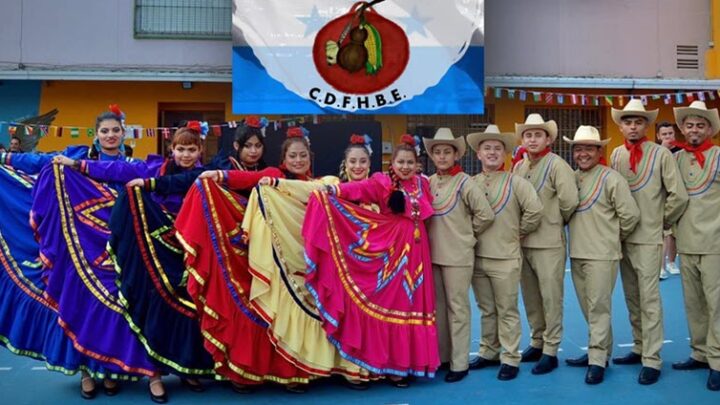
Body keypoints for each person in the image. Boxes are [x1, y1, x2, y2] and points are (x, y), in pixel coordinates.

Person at [172, 121, 312, 394]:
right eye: (292, 156)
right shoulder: (273, 174)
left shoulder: (319, 185)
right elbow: (247, 180)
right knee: (266, 310)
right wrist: (219, 177)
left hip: (299, 257)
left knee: (297, 312)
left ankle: (296, 369)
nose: (297, 160)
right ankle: (248, 371)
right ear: (283, 159)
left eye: (302, 155)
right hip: (267, 254)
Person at [28, 106, 156, 400]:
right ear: (96, 135)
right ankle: (87, 371)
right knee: (84, 306)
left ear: (123, 133)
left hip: (122, 248)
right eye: (104, 131)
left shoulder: (134, 165)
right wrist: (6, 158)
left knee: (119, 307)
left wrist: (77, 167)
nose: (110, 135)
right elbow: (39, 162)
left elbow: (125, 176)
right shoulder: (75, 160)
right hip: (82, 248)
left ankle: (110, 371)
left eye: (115, 130)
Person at [304, 134, 438, 387]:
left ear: (417, 165)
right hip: (392, 251)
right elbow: (359, 189)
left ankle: (408, 364)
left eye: (410, 162)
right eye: (401, 162)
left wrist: (409, 205)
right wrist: (332, 190)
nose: (405, 167)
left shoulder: (423, 184)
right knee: (395, 304)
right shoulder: (383, 182)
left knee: (413, 306)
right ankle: (393, 367)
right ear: (392, 163)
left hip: (418, 254)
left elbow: (427, 209)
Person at [609, 99, 688, 385]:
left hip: (649, 238)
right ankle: (639, 346)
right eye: (628, 121)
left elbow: (677, 195)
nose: (633, 126)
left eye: (638, 121)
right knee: (631, 296)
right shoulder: (616, 154)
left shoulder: (661, 155)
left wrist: (662, 222)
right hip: (622, 238)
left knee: (649, 298)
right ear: (620, 126)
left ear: (647, 125)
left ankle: (653, 358)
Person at [466, 125, 543, 381]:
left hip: (506, 257)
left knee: (507, 309)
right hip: (477, 257)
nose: (492, 153)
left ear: (505, 154)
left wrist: (517, 233)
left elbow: (535, 211)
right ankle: (489, 350)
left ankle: (510, 356)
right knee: (486, 308)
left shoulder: (516, 183)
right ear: (478, 154)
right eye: (487, 148)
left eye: (497, 149)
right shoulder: (471, 183)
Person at [564, 125, 640, 385]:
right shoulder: (571, 178)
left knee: (598, 307)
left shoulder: (611, 178)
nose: (583, 154)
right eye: (578, 149)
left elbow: (630, 215)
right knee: (588, 307)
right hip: (577, 252)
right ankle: (601, 352)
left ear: (599, 151)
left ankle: (596, 360)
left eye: (589, 148)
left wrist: (610, 238)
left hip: (602, 255)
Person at [423, 128, 494, 383]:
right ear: (432, 156)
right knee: (439, 309)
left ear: (456, 155)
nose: (442, 157)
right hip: (433, 255)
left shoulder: (465, 182)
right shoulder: (429, 182)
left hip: (458, 256)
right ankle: (443, 357)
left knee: (458, 309)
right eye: (437, 152)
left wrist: (466, 235)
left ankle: (460, 362)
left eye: (447, 152)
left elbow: (485, 214)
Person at [512, 114, 579, 375]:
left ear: (548, 138)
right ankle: (537, 341)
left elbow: (569, 201)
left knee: (551, 298)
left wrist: (552, 221)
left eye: (538, 134)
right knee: (530, 297)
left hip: (549, 242)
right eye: (528, 135)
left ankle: (551, 350)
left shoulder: (557, 165)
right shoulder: (519, 167)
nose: (532, 139)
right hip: (523, 242)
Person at [670, 101, 720, 391]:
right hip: (686, 242)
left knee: (716, 305)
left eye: (700, 125)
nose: (694, 129)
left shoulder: (718, 155)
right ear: (682, 128)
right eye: (689, 125)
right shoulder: (676, 159)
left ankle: (717, 360)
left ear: (710, 129)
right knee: (694, 304)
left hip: (715, 242)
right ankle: (699, 353)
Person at [655, 121, 682, 279]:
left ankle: (672, 262)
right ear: (658, 136)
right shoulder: (656, 152)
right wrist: (664, 149)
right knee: (665, 233)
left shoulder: (682, 151)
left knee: (675, 234)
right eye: (664, 134)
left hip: (678, 196)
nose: (668, 137)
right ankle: (662, 266)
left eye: (670, 134)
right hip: (662, 197)